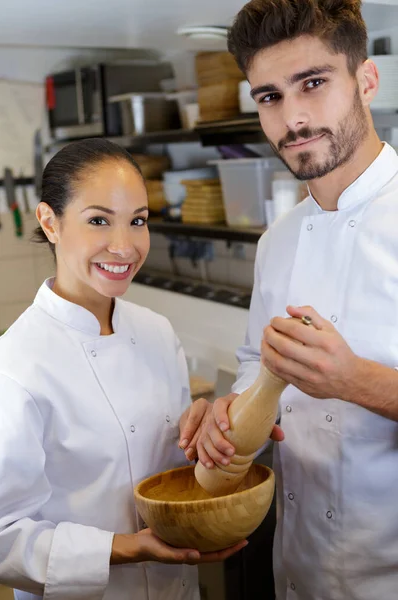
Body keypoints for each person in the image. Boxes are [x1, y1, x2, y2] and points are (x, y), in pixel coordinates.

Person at [179, 1, 398, 599]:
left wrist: (354, 381)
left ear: (367, 80)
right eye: (270, 96)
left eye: (314, 83)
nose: (293, 118)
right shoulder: (276, 240)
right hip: (297, 567)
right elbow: (259, 366)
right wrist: (227, 414)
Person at [0, 138, 246, 600]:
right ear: (50, 222)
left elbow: (168, 474)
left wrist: (202, 438)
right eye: (98, 220)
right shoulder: (15, 365)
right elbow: (3, 537)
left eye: (137, 221)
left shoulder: (155, 332)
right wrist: (130, 548)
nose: (124, 245)